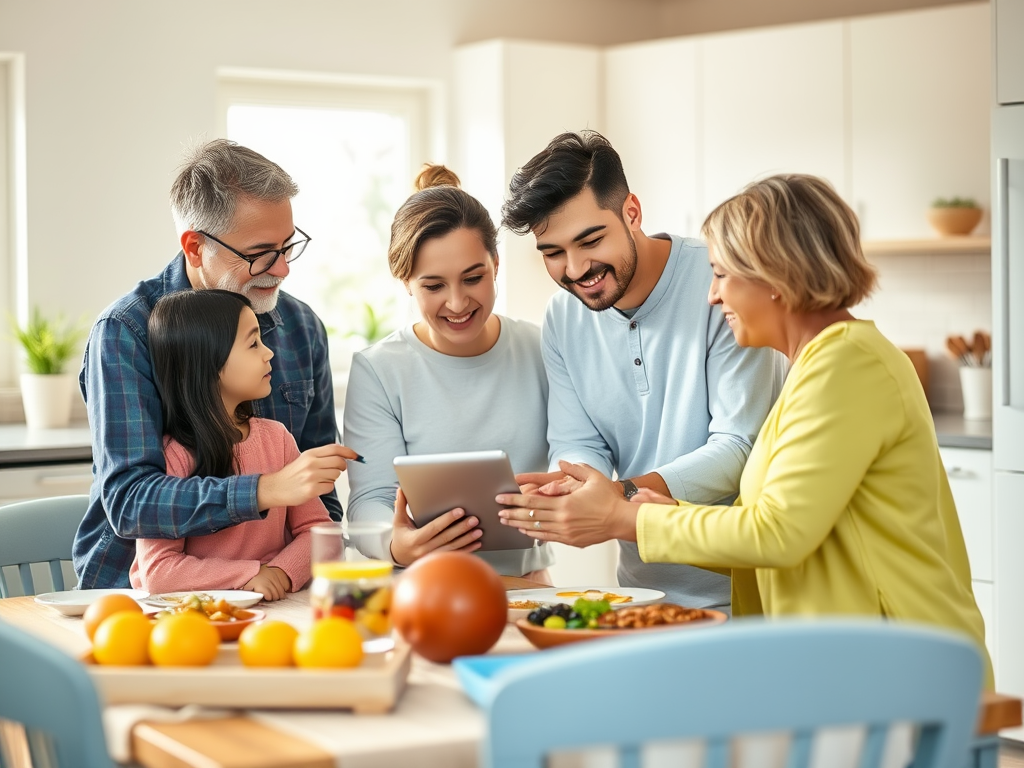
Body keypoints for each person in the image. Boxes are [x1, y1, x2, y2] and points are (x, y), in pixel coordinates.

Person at [497, 173, 993, 685]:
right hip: (856, 661)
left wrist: (626, 518)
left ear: (776, 279)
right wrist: (663, 514)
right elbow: (793, 541)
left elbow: (777, 534)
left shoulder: (848, 365)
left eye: (722, 274)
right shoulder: (819, 366)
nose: (711, 296)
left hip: (904, 666)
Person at [500, 131, 784, 609]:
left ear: (632, 211)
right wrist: (570, 488)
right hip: (640, 594)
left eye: (590, 240)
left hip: (743, 592)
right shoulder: (563, 318)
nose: (575, 269)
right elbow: (578, 441)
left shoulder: (722, 283)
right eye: (552, 253)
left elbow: (739, 447)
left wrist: (615, 496)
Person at [74, 140, 355, 589]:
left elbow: (319, 497)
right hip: (139, 598)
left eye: (288, 246)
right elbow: (130, 503)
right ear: (194, 247)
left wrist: (289, 572)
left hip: (276, 592)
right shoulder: (126, 331)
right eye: (261, 253)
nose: (282, 269)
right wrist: (263, 491)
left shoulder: (302, 328)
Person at [343, 164, 553, 578]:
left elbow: (577, 456)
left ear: (496, 263)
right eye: (434, 286)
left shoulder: (543, 350)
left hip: (526, 588)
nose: (457, 303)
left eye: (473, 278)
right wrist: (396, 544)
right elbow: (371, 499)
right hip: (420, 589)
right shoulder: (379, 370)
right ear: (406, 281)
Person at [129, 290, 332, 599]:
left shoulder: (278, 439)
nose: (269, 353)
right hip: (192, 622)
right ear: (208, 362)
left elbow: (321, 532)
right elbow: (158, 572)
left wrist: (281, 572)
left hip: (270, 612)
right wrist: (250, 575)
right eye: (253, 344)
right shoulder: (175, 456)